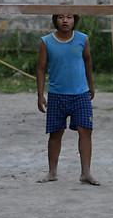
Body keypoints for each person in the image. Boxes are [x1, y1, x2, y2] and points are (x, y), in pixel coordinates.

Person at [36, 13, 99, 186]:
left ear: (75, 20)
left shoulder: (82, 39)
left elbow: (87, 61)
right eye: (61, 17)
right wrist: (40, 94)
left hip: (80, 94)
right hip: (57, 95)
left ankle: (86, 173)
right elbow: (41, 68)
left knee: (86, 131)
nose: (65, 21)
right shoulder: (46, 41)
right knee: (55, 133)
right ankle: (52, 172)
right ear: (55, 20)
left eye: (70, 17)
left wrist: (90, 85)